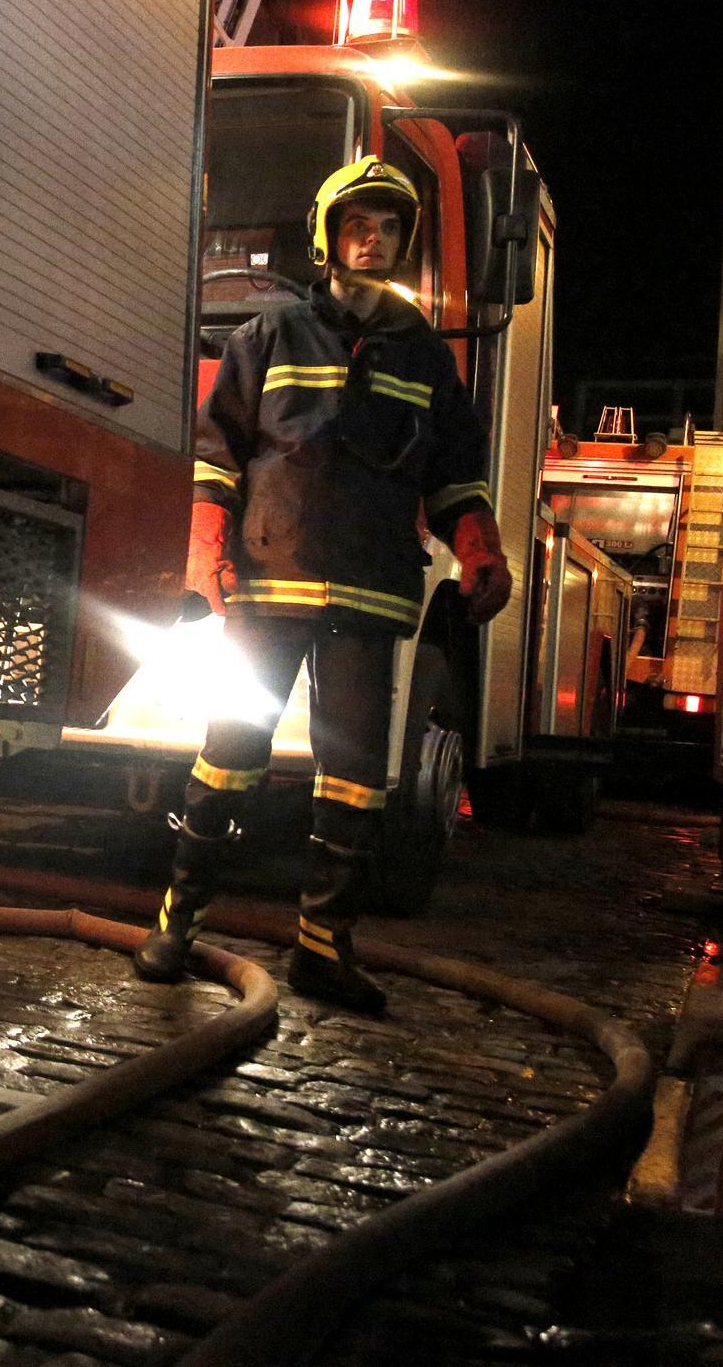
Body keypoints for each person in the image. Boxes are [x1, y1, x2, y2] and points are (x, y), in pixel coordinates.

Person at [136, 157, 512, 1014]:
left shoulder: (425, 355)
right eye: (357, 223)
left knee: (354, 776)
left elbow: (454, 472)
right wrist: (205, 548)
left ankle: (323, 949)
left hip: (372, 591)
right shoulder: (266, 337)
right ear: (327, 234)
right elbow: (218, 455)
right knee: (228, 758)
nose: (371, 237)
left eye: (386, 225)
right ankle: (178, 926)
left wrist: (479, 548)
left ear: (402, 242)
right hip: (270, 586)